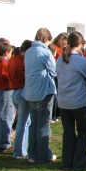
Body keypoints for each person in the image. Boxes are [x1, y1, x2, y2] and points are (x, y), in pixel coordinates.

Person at [56, 32, 86, 171]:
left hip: (63, 101)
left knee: (68, 132)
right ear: (80, 44)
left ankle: (67, 162)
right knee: (84, 130)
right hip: (78, 102)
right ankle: (79, 162)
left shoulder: (60, 59)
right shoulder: (81, 60)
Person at [22, 27, 57, 163]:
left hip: (30, 91)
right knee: (43, 125)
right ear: (45, 39)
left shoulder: (29, 51)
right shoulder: (45, 52)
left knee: (34, 123)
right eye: (49, 41)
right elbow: (53, 72)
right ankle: (44, 155)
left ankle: (32, 154)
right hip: (43, 91)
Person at [9, 40, 33, 159]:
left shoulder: (14, 58)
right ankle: (19, 151)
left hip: (16, 92)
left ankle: (22, 149)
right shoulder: (21, 61)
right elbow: (26, 76)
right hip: (22, 92)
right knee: (23, 123)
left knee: (24, 122)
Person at [0, 42, 13, 153]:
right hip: (6, 91)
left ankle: (0, 141)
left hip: (0, 91)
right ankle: (4, 143)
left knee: (1, 116)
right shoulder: (4, 64)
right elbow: (7, 77)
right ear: (7, 52)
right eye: (10, 53)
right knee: (6, 117)